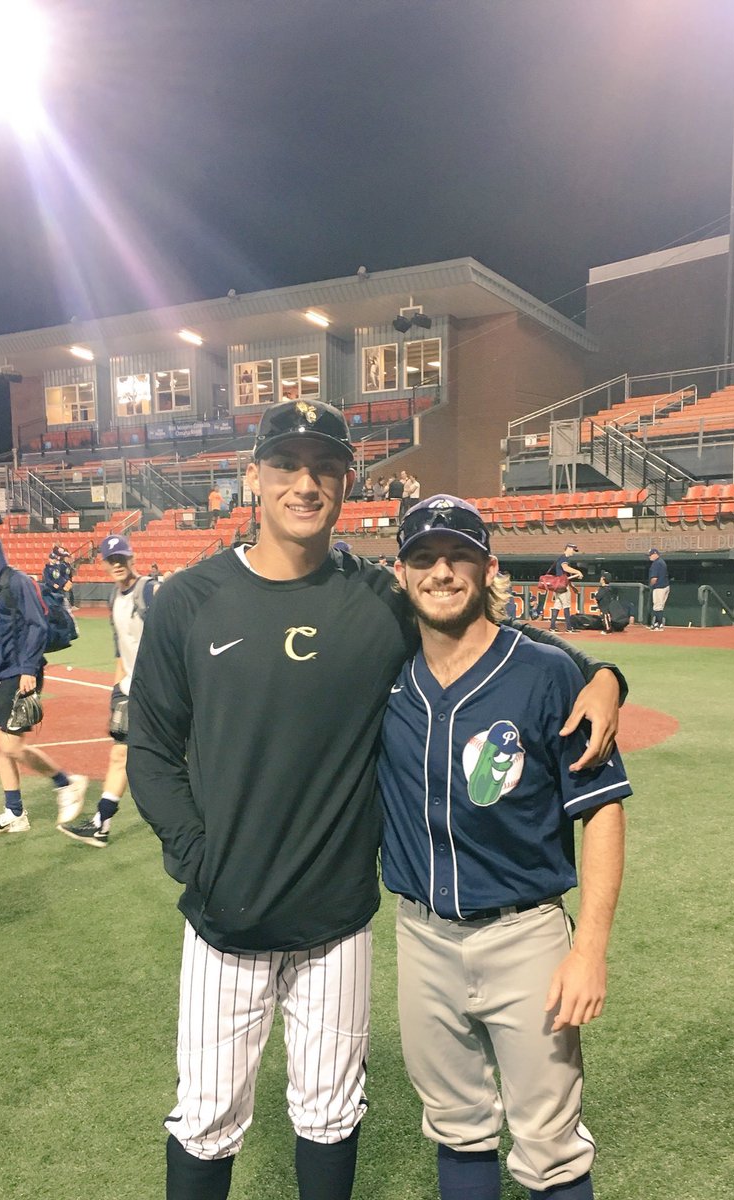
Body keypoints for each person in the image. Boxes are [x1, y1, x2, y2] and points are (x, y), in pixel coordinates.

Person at [126, 399, 626, 1200]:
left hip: (339, 920)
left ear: (347, 482)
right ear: (252, 477)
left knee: (330, 1111)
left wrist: (602, 672)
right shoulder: (189, 599)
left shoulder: (375, 597)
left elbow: (490, 630)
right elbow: (148, 750)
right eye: (286, 464)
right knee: (207, 1112)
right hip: (226, 919)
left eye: (324, 466)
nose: (304, 482)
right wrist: (198, 858)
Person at [378, 495, 630, 1200]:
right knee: (455, 1127)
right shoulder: (386, 668)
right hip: (420, 936)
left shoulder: (548, 672)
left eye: (458, 554)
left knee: (549, 1146)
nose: (441, 572)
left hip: (526, 938)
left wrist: (589, 950)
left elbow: (603, 810)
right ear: (401, 574)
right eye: (424, 558)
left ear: (488, 568)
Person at [0, 524, 88, 836]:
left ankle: (66, 782)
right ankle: (15, 813)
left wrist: (29, 669)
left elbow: (37, 626)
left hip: (19, 673)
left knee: (13, 746)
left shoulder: (17, 581)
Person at [60, 534, 158, 847]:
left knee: (163, 760)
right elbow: (121, 648)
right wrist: (117, 690)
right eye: (111, 560)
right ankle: (102, 823)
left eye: (122, 558)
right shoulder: (114, 599)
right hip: (132, 688)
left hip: (160, 692)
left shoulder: (150, 590)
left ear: (132, 558)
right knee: (121, 755)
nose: (117, 565)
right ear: (103, 564)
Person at [543, 543, 583, 631]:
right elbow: (565, 568)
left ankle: (552, 626)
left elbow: (565, 576)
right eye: (573, 549)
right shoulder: (564, 558)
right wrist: (578, 572)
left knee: (557, 605)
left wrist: (572, 586)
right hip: (562, 586)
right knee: (566, 605)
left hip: (559, 585)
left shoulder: (562, 558)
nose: (573, 552)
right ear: (568, 548)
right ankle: (569, 627)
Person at [42, 545, 77, 610]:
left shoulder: (58, 567)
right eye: (53, 559)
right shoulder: (46, 569)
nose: (54, 560)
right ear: (49, 559)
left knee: (62, 602)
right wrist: (53, 584)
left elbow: (61, 576)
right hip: (50, 589)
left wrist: (65, 582)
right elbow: (47, 580)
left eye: (55, 559)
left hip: (58, 588)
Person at [647, 548, 669, 630]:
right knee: (660, 606)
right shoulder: (662, 562)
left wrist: (650, 586)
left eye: (650, 555)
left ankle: (658, 624)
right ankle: (658, 623)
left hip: (659, 587)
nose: (649, 557)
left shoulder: (656, 563)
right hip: (665, 586)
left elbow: (654, 579)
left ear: (655, 554)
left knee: (657, 606)